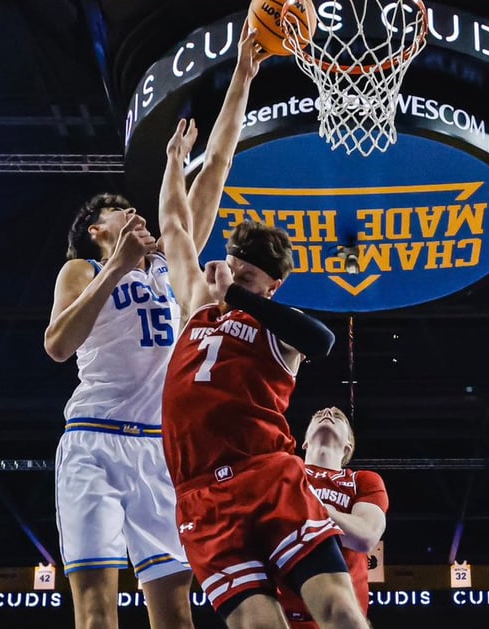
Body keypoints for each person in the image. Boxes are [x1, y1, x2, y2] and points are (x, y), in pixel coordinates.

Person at [43, 27, 266, 629]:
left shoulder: (173, 262)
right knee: (96, 608)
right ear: (97, 229)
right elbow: (58, 344)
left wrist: (243, 75)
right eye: (119, 209)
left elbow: (216, 165)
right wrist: (114, 268)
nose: (133, 209)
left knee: (174, 610)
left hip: (159, 447)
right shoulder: (83, 267)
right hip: (92, 440)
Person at [157, 119, 368, 629]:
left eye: (246, 276)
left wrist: (237, 294)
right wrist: (172, 162)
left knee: (338, 610)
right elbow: (173, 227)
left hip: (266, 475)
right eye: (228, 268)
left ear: (270, 286)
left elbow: (323, 341)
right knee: (257, 626)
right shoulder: (195, 310)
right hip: (201, 496)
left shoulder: (277, 330)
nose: (225, 276)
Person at [278, 407, 388, 628]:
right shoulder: (283, 472)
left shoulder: (363, 481)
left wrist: (309, 508)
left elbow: (364, 536)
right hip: (280, 618)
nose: (328, 411)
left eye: (338, 416)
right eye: (317, 415)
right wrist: (331, 518)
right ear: (305, 442)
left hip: (341, 619)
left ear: (348, 445)